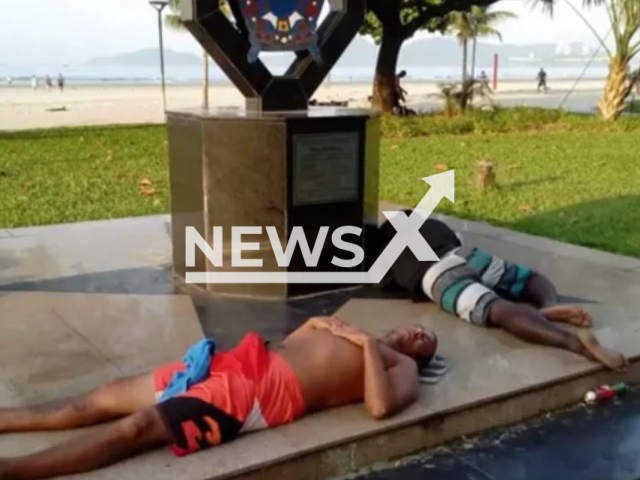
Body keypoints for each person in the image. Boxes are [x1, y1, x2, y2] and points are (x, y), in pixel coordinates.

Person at [0, 318, 436, 479]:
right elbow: (292, 341)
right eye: (421, 327)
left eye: (426, 340)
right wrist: (320, 324)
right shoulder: (351, 328)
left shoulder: (399, 364)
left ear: (421, 355)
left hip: (258, 394)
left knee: (136, 429)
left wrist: (365, 345)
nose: (419, 333)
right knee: (98, 400)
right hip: (233, 363)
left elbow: (379, 408)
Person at [377, 213, 628, 371]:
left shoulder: (384, 245)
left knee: (495, 309)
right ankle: (548, 304)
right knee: (527, 278)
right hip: (463, 253)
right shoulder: (432, 226)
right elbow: (453, 237)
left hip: (436, 273)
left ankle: (577, 346)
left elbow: (380, 278)